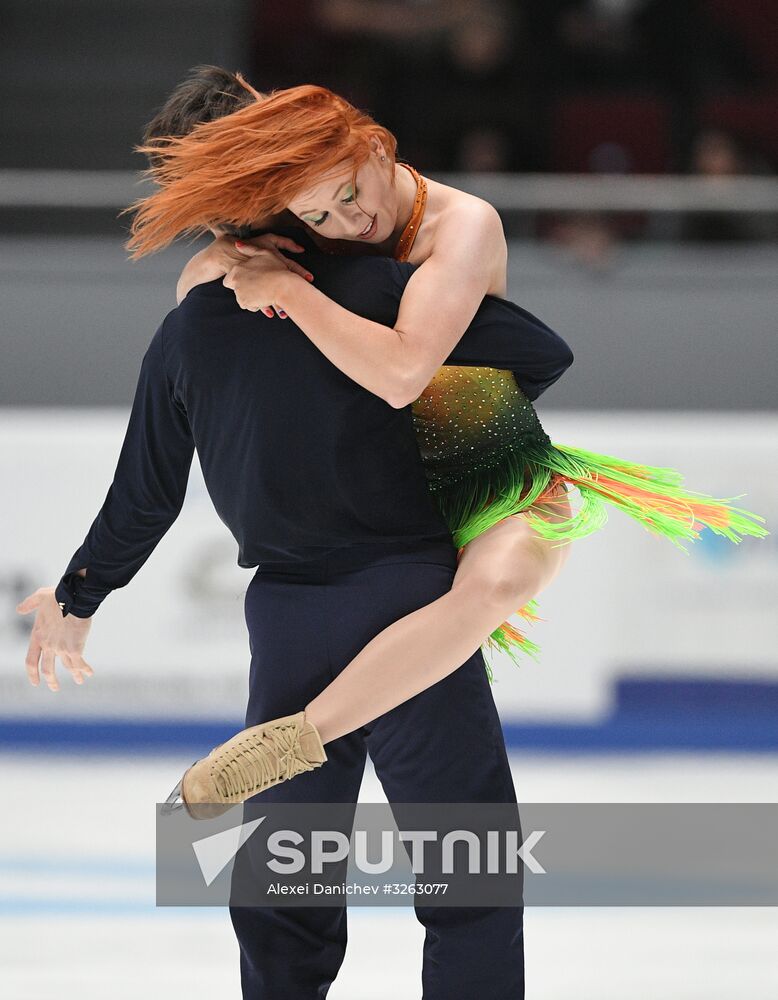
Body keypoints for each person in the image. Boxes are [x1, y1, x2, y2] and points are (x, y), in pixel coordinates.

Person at [15, 114, 578, 1000]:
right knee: (469, 873)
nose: (344, 220)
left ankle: (296, 760)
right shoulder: (389, 287)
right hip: (409, 588)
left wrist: (80, 595)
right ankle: (308, 739)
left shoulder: (187, 332)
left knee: (289, 884)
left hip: (284, 611)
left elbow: (147, 493)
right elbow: (540, 353)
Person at [123, 78, 768, 810]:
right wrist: (229, 261)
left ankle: (281, 747)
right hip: (375, 492)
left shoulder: (462, 223)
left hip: (484, 460)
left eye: (348, 194)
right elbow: (199, 296)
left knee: (497, 584)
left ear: (371, 147)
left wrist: (288, 290)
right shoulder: (288, 227)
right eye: (317, 210)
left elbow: (403, 371)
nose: (348, 218)